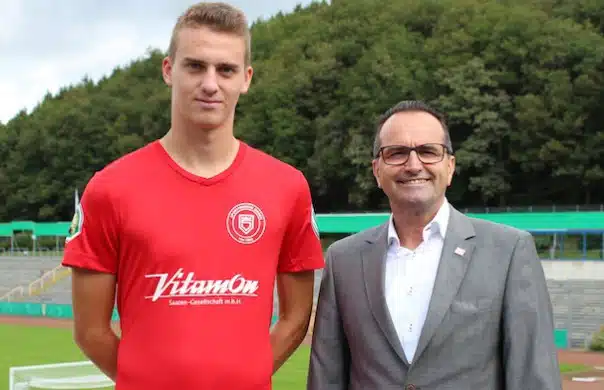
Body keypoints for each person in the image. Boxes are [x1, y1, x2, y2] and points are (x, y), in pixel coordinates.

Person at [62, 2, 324, 389]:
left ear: (246, 79)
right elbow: (90, 331)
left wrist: (243, 379)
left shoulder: (288, 187)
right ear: (169, 70)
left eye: (226, 70)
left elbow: (296, 319)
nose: (210, 84)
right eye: (195, 66)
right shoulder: (109, 189)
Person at [307, 100, 562, 390]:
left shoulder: (509, 251)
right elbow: (326, 376)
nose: (414, 165)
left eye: (428, 152)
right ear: (377, 170)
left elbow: (534, 377)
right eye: (397, 153)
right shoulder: (343, 260)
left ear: (450, 166)